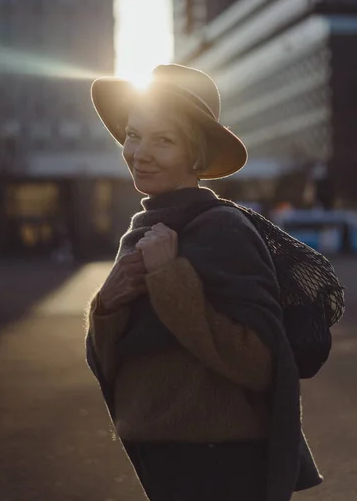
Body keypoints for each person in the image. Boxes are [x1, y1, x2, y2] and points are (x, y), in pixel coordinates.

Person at [85, 64, 323, 501]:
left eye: (164, 139)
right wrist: (107, 306)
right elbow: (111, 362)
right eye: (134, 134)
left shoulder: (223, 229)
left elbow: (260, 365)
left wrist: (169, 279)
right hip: (157, 453)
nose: (139, 152)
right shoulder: (139, 232)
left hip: (220, 461)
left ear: (196, 156)